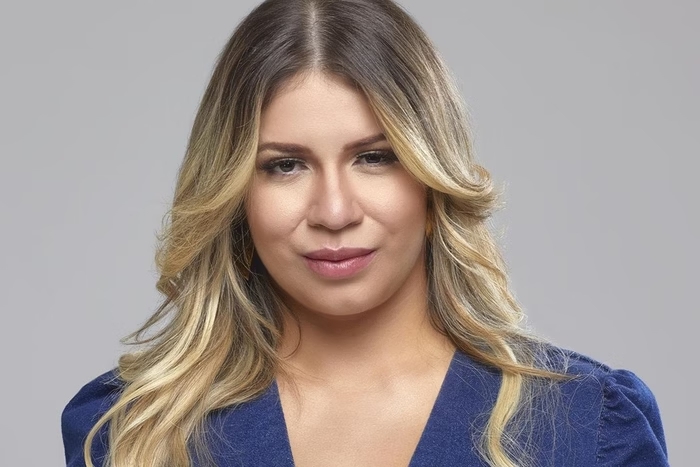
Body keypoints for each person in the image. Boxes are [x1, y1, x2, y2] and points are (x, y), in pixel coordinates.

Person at [61, 0, 669, 466]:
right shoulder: (132, 431)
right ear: (235, 193)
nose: (333, 211)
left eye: (375, 158)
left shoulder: (587, 427)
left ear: (433, 177)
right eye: (285, 165)